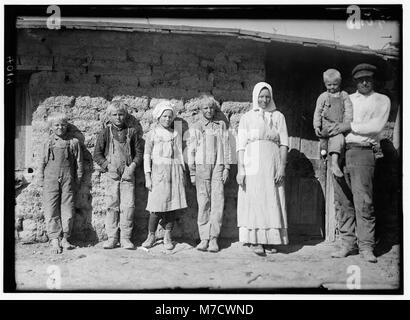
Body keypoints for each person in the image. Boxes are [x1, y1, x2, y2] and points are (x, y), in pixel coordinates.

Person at [328, 63, 391, 263]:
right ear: (355, 81)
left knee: (363, 202)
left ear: (373, 79)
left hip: (363, 153)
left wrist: (349, 126)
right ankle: (347, 243)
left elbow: (375, 126)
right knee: (343, 201)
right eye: (360, 79)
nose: (364, 82)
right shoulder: (347, 98)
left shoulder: (381, 100)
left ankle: (366, 246)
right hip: (341, 151)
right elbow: (335, 123)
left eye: (368, 79)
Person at [236, 82, 289, 256]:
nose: (264, 100)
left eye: (267, 96)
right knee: (255, 198)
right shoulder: (247, 117)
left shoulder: (279, 116)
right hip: (252, 162)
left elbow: (284, 144)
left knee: (271, 197)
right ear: (255, 97)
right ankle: (255, 240)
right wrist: (241, 169)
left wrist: (281, 167)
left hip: (272, 161)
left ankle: (271, 239)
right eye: (261, 96)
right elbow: (240, 146)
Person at [94, 100, 144, 250]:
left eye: (121, 114)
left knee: (128, 206)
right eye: (114, 115)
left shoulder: (132, 132)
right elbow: (97, 154)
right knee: (112, 206)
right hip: (112, 174)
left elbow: (139, 153)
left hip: (128, 174)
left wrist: (133, 166)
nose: (118, 117)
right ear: (109, 116)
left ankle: (125, 238)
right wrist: (107, 166)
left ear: (125, 115)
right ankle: (112, 237)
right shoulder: (105, 133)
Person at [141, 100, 187, 250]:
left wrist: (182, 175)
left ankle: (168, 236)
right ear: (159, 117)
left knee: (171, 207)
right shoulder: (152, 134)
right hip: (158, 173)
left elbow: (179, 155)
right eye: (164, 116)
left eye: (169, 116)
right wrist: (147, 176)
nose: (167, 119)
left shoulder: (175, 134)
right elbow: (147, 156)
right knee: (155, 207)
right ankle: (151, 235)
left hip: (173, 172)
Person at [187, 95, 230, 252]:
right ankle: (204, 238)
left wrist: (226, 168)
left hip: (218, 167)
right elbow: (191, 150)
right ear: (201, 110)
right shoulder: (197, 126)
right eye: (205, 108)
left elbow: (226, 147)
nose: (209, 110)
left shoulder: (221, 125)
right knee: (204, 202)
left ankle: (214, 239)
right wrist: (192, 172)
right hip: (201, 167)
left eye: (211, 107)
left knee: (217, 201)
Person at [38, 112, 83, 254]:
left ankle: (65, 237)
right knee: (51, 208)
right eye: (56, 125)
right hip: (50, 178)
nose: (60, 127)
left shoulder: (73, 142)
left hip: (68, 179)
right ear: (51, 127)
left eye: (63, 125)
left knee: (68, 208)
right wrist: (40, 178)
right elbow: (42, 162)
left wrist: (78, 179)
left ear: (67, 126)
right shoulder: (48, 143)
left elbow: (79, 163)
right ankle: (54, 239)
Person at [313, 69, 353, 177]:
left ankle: (334, 163)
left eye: (335, 84)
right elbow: (317, 112)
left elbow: (348, 111)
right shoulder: (323, 97)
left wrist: (346, 124)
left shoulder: (344, 95)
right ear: (325, 84)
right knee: (324, 144)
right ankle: (324, 154)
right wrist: (316, 126)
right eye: (329, 85)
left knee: (338, 139)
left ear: (339, 83)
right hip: (326, 126)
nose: (332, 87)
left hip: (338, 127)